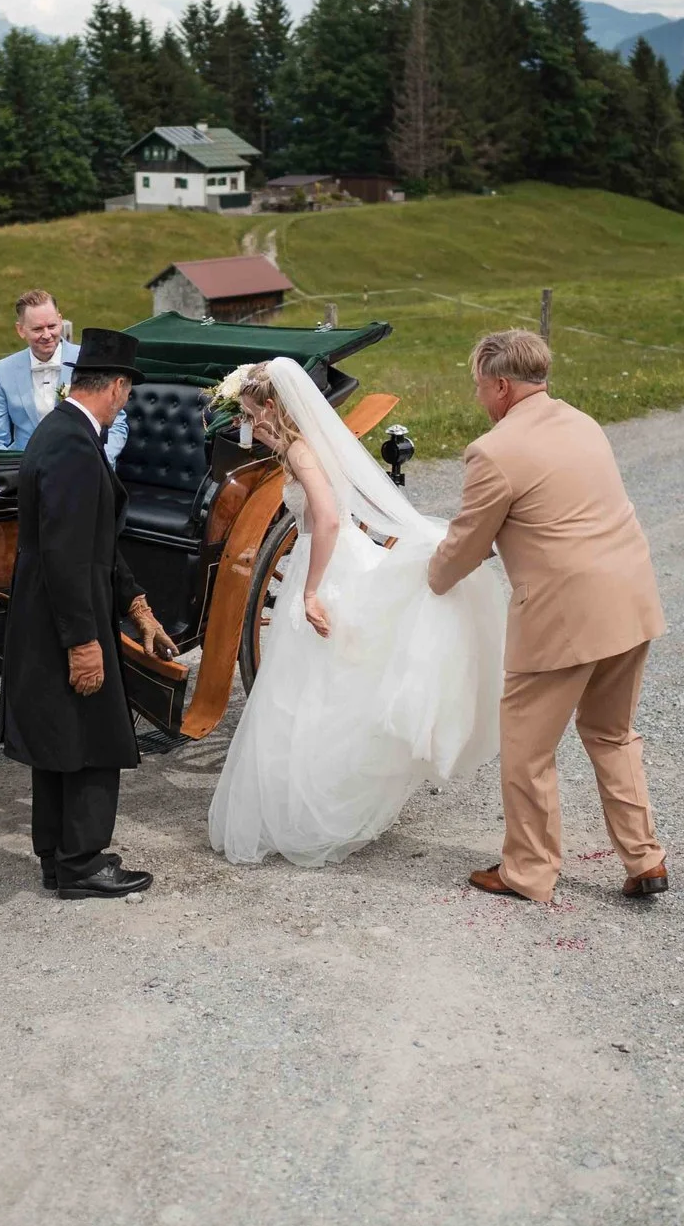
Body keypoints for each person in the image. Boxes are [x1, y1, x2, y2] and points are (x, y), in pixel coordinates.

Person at [207, 359, 510, 868]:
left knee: (310, 687)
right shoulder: (299, 446)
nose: (249, 423)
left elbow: (325, 519)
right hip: (330, 557)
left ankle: (314, 807)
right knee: (317, 686)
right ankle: (305, 799)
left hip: (327, 564)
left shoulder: (302, 451)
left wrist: (309, 592)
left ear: (274, 408)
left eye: (252, 412)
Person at [427, 329, 670, 903]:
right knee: (612, 733)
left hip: (563, 616)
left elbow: (464, 545)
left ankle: (528, 872)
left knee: (528, 749)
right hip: (630, 601)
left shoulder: (496, 451)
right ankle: (646, 859)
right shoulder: (583, 423)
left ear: (503, 385)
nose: (479, 398)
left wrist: (429, 580)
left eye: (480, 386)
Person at [0, 327, 175, 899]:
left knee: (60, 734)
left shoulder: (62, 430)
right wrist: (84, 640)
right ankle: (84, 863)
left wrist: (136, 604)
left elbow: (95, 537)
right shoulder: (75, 445)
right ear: (119, 387)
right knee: (91, 733)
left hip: (52, 603)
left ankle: (58, 856)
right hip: (67, 610)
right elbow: (69, 552)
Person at [0, 288, 127, 460]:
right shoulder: (3, 370)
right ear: (21, 330)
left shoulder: (90, 361)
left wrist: (100, 460)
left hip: (83, 466)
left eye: (52, 326)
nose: (47, 335)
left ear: (60, 319)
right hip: (24, 470)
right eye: (37, 329)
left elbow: (116, 424)